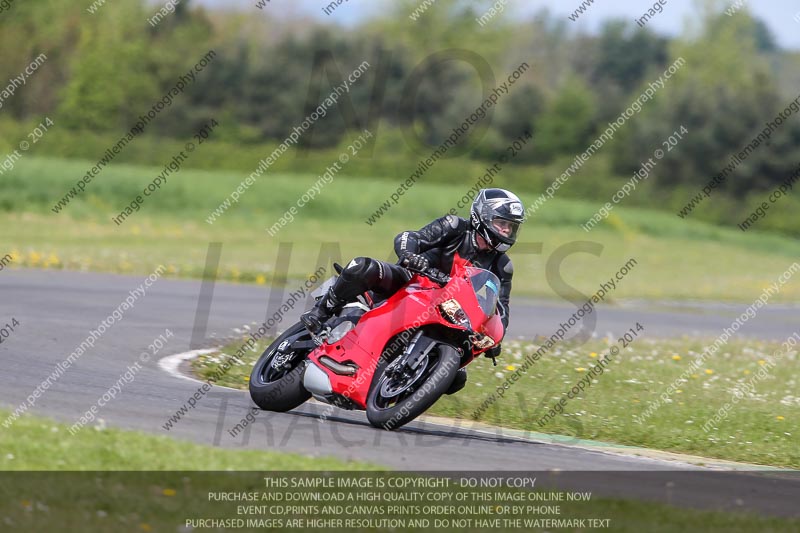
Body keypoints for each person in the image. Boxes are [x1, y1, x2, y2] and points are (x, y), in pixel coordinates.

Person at [301, 188, 525, 392]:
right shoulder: (454, 227)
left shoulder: (502, 266)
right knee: (362, 267)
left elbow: (500, 308)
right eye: (501, 223)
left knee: (456, 378)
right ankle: (321, 311)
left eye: (511, 227)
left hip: (447, 310)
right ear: (482, 217)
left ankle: (400, 384)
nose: (506, 231)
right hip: (412, 281)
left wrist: (494, 337)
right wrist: (410, 255)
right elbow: (410, 237)